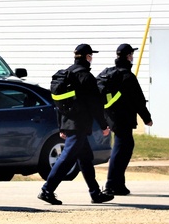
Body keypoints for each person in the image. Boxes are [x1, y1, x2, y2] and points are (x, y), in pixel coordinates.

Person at [39, 44, 113, 206]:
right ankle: (47, 190)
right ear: (87, 57)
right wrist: (103, 125)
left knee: (85, 158)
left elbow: (59, 105)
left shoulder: (67, 75)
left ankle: (95, 193)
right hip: (79, 125)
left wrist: (61, 126)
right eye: (91, 56)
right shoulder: (86, 77)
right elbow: (95, 105)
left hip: (69, 123)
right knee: (66, 158)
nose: (91, 59)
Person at [98, 43, 152, 196]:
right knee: (121, 149)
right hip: (123, 118)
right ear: (128, 56)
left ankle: (119, 185)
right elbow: (138, 100)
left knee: (124, 148)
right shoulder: (127, 76)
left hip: (111, 117)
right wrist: (147, 118)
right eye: (131, 55)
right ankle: (110, 184)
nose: (132, 57)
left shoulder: (107, 73)